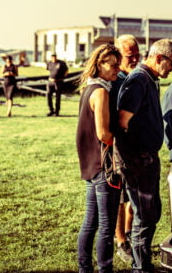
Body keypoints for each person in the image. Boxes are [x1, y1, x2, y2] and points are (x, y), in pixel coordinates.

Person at [116, 38, 172, 272]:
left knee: (151, 213)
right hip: (138, 159)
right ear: (159, 58)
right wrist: (135, 158)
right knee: (143, 216)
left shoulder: (151, 79)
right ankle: (140, 267)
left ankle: (142, 262)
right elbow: (122, 122)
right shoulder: (139, 80)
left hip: (148, 156)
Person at [76, 43, 122, 273]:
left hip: (91, 165)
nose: (117, 69)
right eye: (112, 65)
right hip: (104, 168)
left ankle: (85, 269)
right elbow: (103, 133)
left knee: (90, 223)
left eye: (118, 64)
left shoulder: (89, 88)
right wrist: (122, 141)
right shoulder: (101, 92)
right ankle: (105, 269)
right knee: (106, 226)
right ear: (99, 65)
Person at [109, 35, 141, 264]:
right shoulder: (114, 81)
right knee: (120, 195)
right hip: (119, 147)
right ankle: (120, 239)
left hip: (136, 145)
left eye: (138, 54)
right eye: (130, 55)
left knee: (132, 193)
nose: (135, 58)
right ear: (119, 55)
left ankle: (129, 234)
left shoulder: (134, 78)